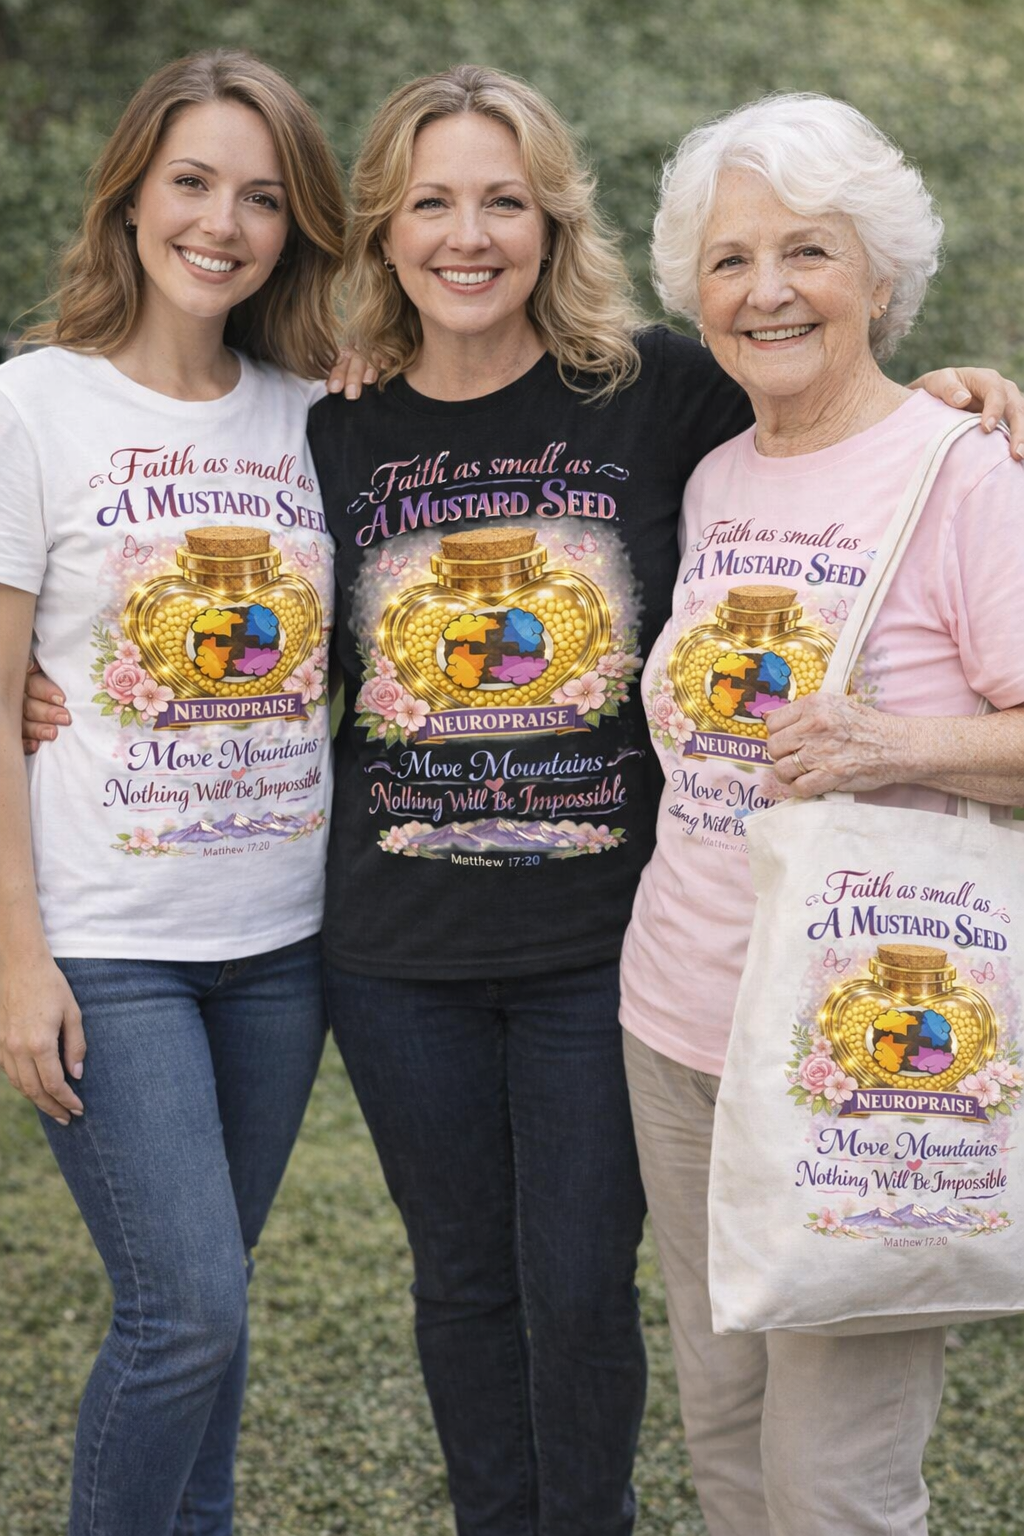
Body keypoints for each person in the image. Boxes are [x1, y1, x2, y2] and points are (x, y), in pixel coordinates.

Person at [16, 63, 1021, 1536]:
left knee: (580, 1291)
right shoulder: (328, 427)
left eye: (503, 201)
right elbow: (217, 602)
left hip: (599, 948)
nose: (468, 234)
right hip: (394, 947)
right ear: (384, 230)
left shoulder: (659, 389)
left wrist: (956, 392)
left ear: (552, 223)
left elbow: (825, 415)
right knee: (463, 1287)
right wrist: (52, 687)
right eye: (432, 202)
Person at [620, 92, 1024, 1536]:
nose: (767, 290)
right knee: (726, 1433)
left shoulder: (967, 474)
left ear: (880, 276)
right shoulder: (716, 477)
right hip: (678, 1023)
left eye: (809, 250)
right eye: (731, 260)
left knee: (833, 1484)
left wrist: (889, 741)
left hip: (868, 1048)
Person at [0, 49, 347, 1536]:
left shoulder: (320, 411)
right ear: (130, 195)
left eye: (263, 197)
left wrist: (932, 394)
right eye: (193, 182)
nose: (224, 222)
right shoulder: (34, 404)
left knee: (217, 1302)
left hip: (283, 943)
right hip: (107, 943)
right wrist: (17, 956)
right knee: (186, 1309)